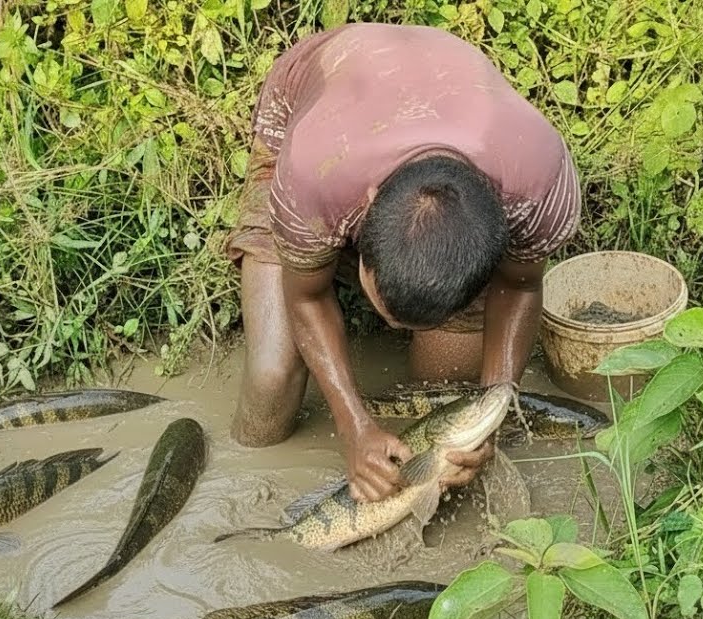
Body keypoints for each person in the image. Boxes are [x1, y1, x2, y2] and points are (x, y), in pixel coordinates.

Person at [222, 22, 581, 505]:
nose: (389, 323)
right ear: (362, 220)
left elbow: (519, 286)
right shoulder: (312, 172)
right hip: (329, 97)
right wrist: (353, 429)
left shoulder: (537, 183)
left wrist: (491, 410)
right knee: (270, 382)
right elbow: (305, 293)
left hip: (456, 105)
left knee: (446, 390)